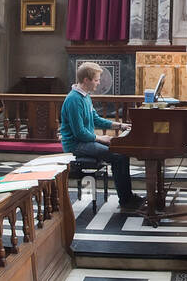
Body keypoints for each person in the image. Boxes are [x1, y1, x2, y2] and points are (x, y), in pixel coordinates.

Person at [59, 62, 143, 212]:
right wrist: (99, 138)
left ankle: (127, 197)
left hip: (85, 140)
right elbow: (79, 133)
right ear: (86, 80)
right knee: (117, 156)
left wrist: (119, 125)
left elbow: (96, 119)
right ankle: (125, 200)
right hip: (76, 144)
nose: (98, 83)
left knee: (122, 153)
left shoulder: (85, 97)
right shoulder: (74, 100)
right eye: (96, 80)